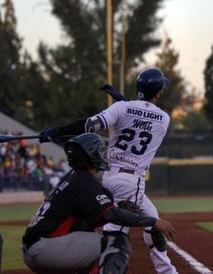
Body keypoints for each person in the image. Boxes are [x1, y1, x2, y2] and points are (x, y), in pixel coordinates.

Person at [38, 68, 178, 273]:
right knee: (114, 233)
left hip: (109, 176)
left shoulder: (121, 108)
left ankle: (167, 271)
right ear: (158, 92)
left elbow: (88, 125)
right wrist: (124, 102)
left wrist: (57, 131)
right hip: (132, 181)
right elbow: (144, 116)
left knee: (152, 221)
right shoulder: (164, 118)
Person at [22, 133, 175, 273]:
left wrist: (121, 209)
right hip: (45, 249)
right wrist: (152, 221)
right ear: (90, 155)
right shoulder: (84, 182)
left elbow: (90, 219)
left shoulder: (73, 178)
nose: (104, 154)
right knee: (115, 241)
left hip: (39, 248)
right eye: (100, 150)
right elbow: (112, 216)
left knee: (89, 235)